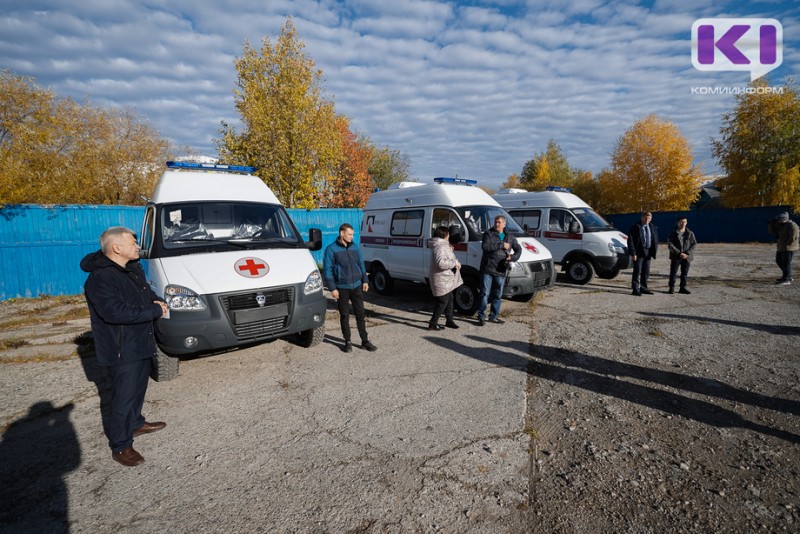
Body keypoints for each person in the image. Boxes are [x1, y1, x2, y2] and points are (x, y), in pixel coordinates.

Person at [80, 227, 168, 467]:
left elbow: (144, 292)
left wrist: (155, 300)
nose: (137, 246)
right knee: (123, 396)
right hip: (122, 348)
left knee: (138, 388)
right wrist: (154, 311)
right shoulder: (101, 278)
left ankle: (136, 423)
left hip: (140, 341)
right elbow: (114, 312)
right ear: (116, 247)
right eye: (132, 242)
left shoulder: (130, 268)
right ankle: (120, 445)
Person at [323, 223, 378, 352]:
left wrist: (365, 280)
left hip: (357, 286)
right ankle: (347, 342)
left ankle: (365, 341)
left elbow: (361, 264)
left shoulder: (355, 247)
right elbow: (327, 270)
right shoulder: (331, 249)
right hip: (341, 288)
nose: (352, 237)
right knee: (344, 315)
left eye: (353, 234)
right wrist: (333, 288)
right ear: (342, 233)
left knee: (360, 314)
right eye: (350, 234)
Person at [476, 215, 521, 326]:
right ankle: (481, 316)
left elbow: (518, 249)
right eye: (496, 222)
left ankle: (493, 316)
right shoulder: (488, 233)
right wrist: (501, 245)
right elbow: (486, 247)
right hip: (487, 269)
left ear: (504, 224)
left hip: (501, 270)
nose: (496, 224)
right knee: (484, 294)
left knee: (497, 295)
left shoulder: (510, 236)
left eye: (499, 222)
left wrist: (512, 257)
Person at [427, 226, 463, 331]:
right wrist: (454, 263)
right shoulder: (440, 246)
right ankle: (433, 323)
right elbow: (440, 263)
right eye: (448, 234)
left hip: (445, 278)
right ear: (444, 235)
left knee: (450, 299)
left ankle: (449, 320)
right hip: (441, 278)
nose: (449, 236)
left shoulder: (442, 245)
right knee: (443, 301)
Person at [627, 212, 658, 296]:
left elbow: (654, 239)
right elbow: (630, 241)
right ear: (642, 218)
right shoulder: (636, 227)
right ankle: (635, 289)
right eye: (645, 218)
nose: (647, 220)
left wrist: (654, 251)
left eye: (649, 218)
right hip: (639, 252)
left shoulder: (652, 227)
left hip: (648, 252)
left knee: (646, 271)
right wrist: (633, 253)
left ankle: (644, 288)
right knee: (637, 271)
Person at [666, 216, 697, 294]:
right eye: (681, 222)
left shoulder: (690, 233)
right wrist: (679, 253)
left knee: (684, 273)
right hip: (676, 256)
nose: (683, 223)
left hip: (687, 257)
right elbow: (670, 244)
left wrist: (687, 253)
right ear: (677, 222)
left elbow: (694, 244)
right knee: (673, 272)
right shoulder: (673, 233)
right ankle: (671, 288)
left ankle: (682, 288)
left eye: (685, 222)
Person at [768, 212, 799, 285]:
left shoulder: (792, 225)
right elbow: (771, 232)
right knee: (778, 261)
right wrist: (770, 224)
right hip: (781, 247)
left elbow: (794, 236)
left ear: (784, 219)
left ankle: (786, 279)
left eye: (779, 220)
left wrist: (787, 244)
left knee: (786, 263)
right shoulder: (781, 225)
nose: (778, 221)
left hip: (789, 247)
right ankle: (788, 275)